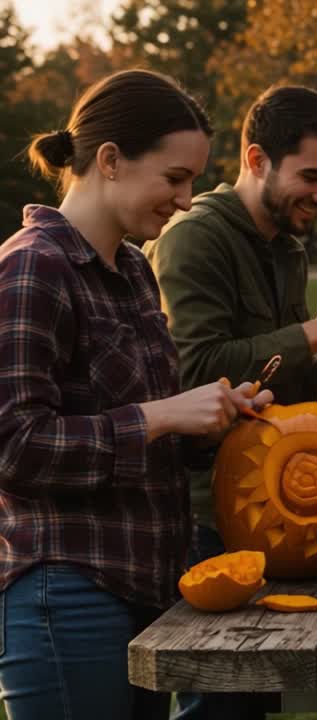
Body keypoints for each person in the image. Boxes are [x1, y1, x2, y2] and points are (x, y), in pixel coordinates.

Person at [0, 69, 267, 720]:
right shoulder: (35, 266)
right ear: (111, 162)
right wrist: (158, 416)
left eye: (195, 180)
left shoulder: (136, 271)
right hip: (67, 593)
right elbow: (14, 446)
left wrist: (204, 424)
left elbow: (144, 436)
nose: (186, 199)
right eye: (175, 178)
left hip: (150, 586)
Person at [143, 84, 317, 720]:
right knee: (221, 699)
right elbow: (194, 370)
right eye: (311, 176)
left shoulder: (286, 248)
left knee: (257, 698)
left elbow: (283, 376)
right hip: (208, 511)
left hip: (282, 496)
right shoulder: (195, 239)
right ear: (256, 160)